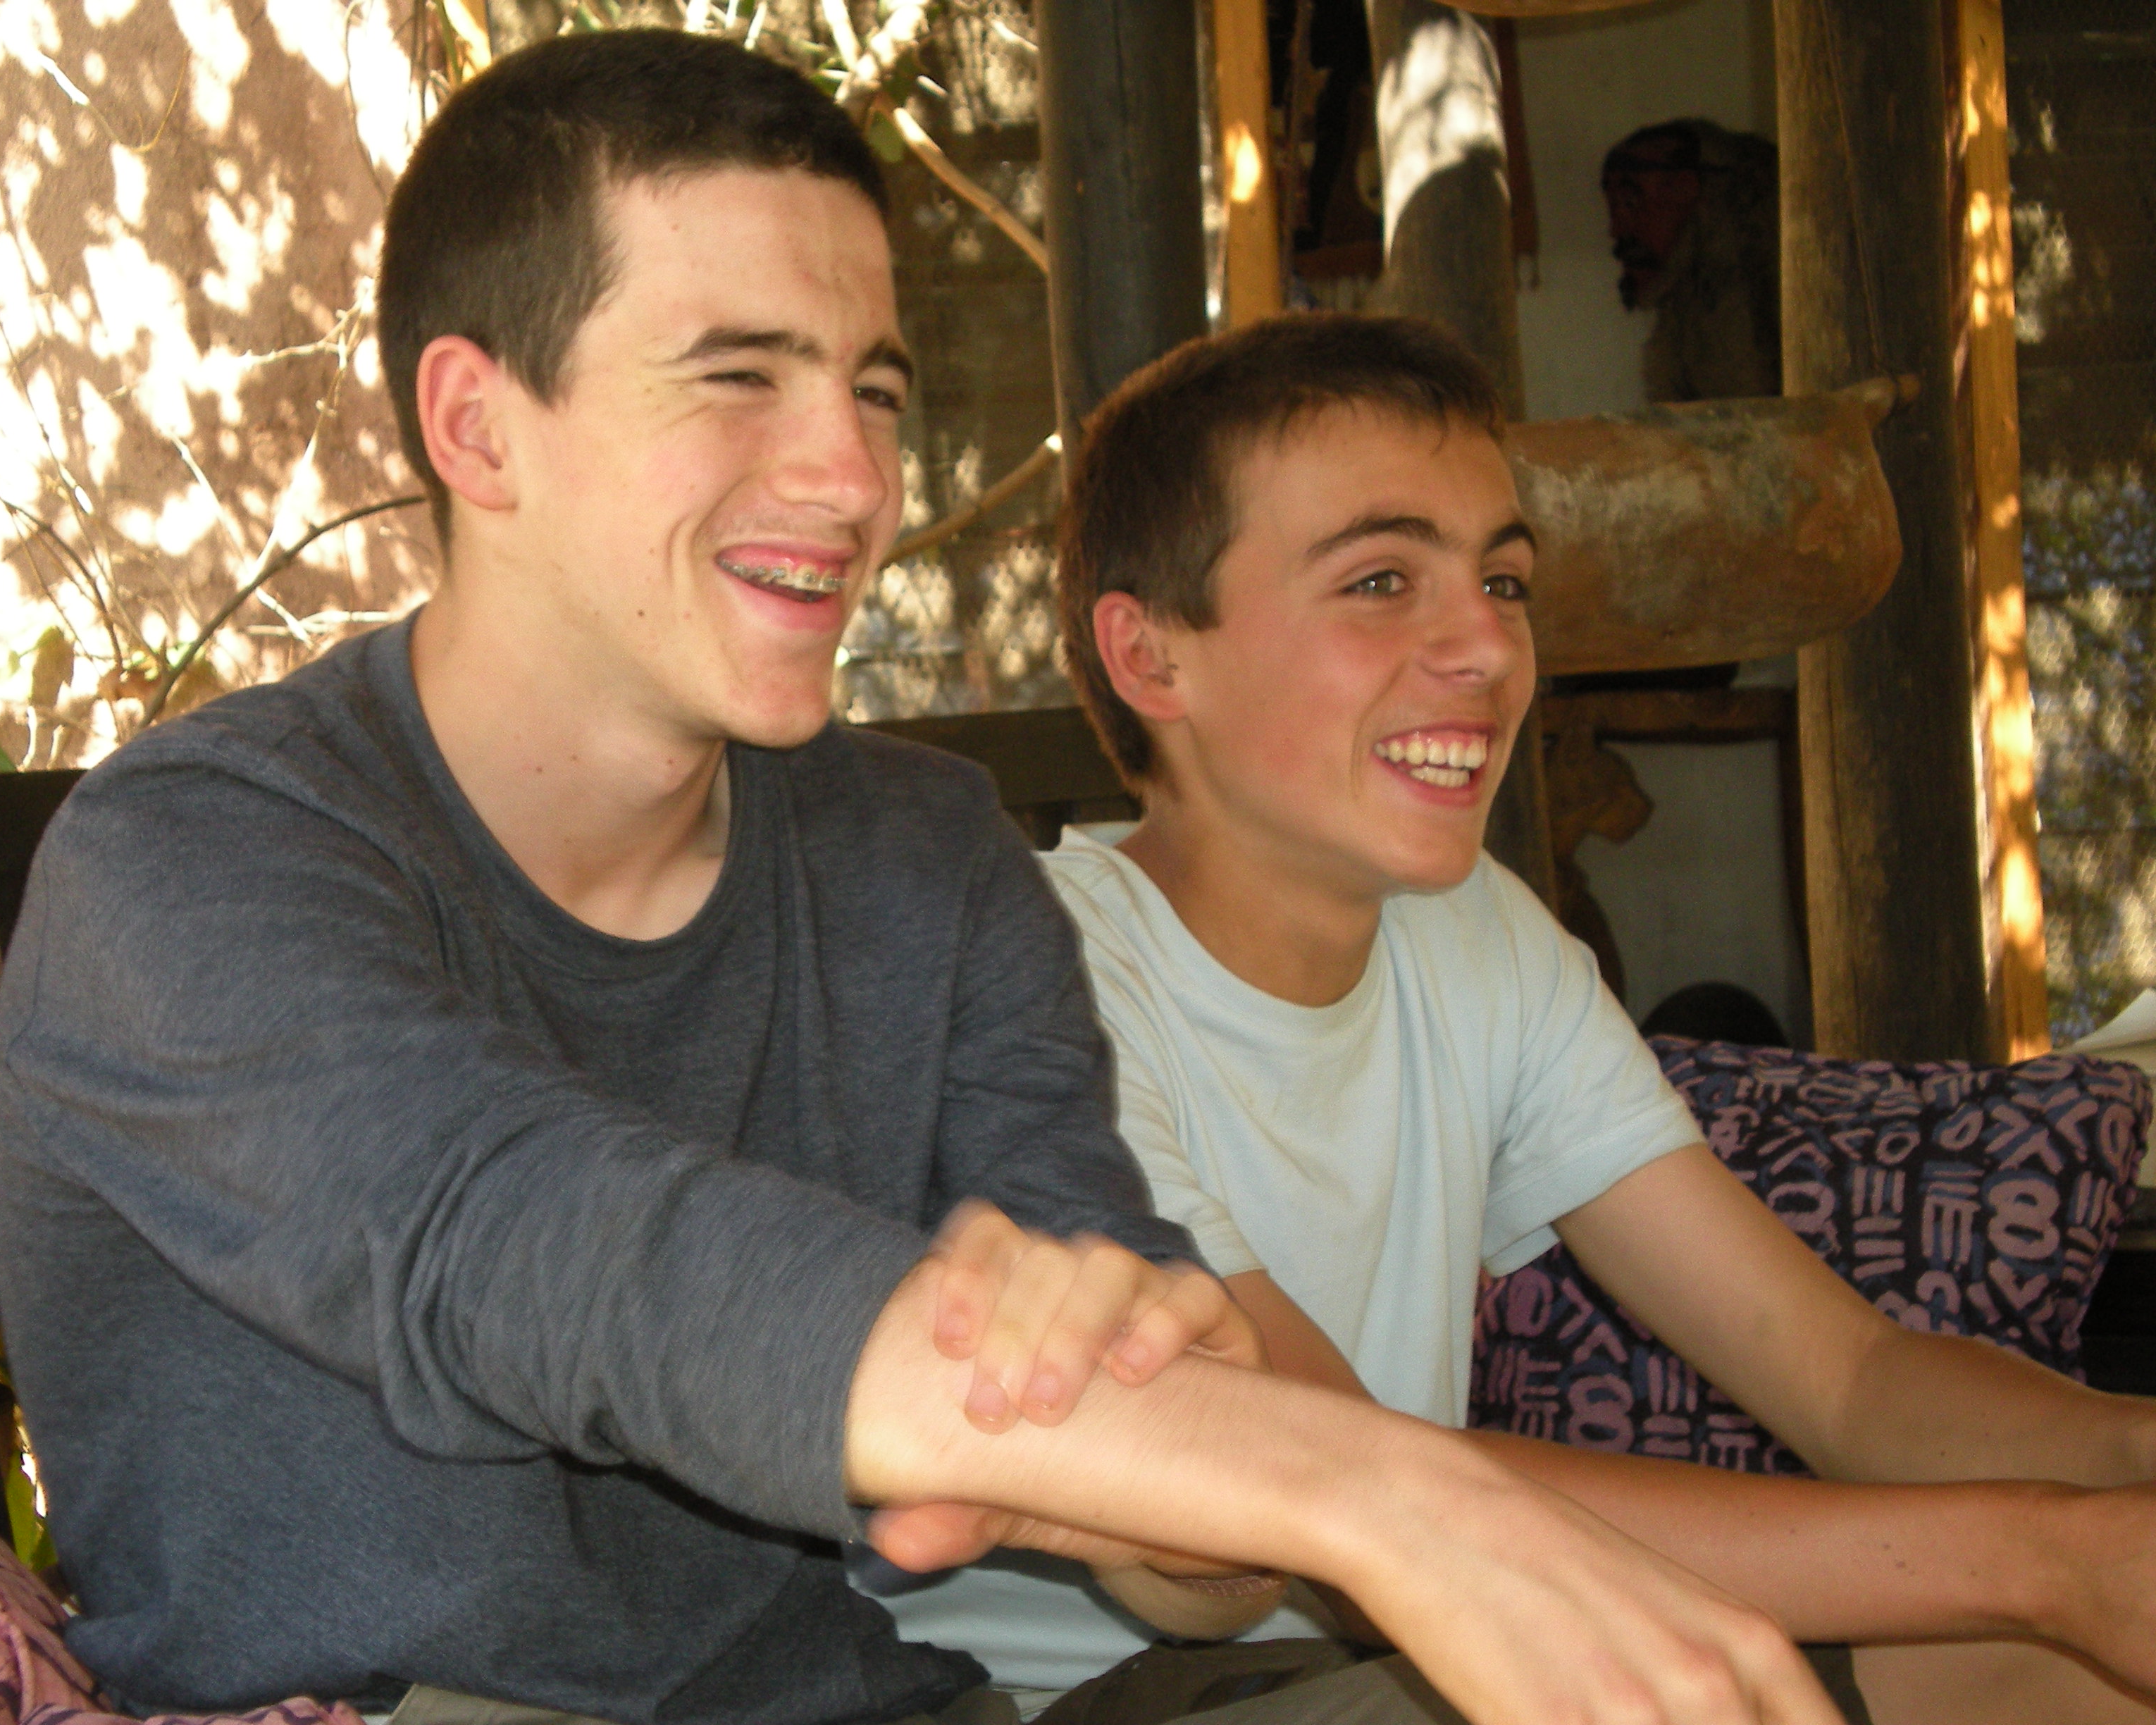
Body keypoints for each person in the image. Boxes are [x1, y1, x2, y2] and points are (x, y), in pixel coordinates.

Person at [0, 30, 1845, 1725]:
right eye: (738, 377)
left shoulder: (918, 850)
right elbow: (539, 1251)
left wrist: (1169, 1447)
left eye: (873, 392)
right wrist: (1383, 1493)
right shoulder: (192, 865)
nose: (854, 479)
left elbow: (1186, 1562)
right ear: (478, 426)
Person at [876, 311, 2156, 1725]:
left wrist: (2122, 1468)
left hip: (1402, 1632)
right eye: (1380, 580)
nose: (1486, 644)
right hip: (1084, 1694)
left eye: (1503, 579)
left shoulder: (1476, 937)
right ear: (1153, 658)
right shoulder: (1030, 972)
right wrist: (2048, 1562)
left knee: (2078, 1677)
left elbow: (1846, 1377)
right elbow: (1353, 1484)